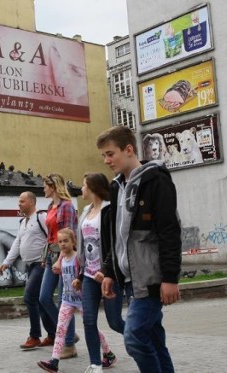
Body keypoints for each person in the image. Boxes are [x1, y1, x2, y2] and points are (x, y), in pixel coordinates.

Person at [96, 126, 182, 373]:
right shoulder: (117, 186)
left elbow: (169, 231)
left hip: (151, 277)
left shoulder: (156, 180)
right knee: (155, 340)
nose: (106, 160)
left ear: (129, 149)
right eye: (104, 155)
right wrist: (110, 271)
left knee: (133, 338)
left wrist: (170, 278)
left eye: (110, 154)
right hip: (130, 278)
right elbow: (118, 237)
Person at [74, 172, 125, 372]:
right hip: (88, 276)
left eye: (84, 185)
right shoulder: (85, 211)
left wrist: (105, 270)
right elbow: (83, 246)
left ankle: (144, 338)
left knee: (114, 321)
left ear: (94, 187)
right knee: (88, 320)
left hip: (109, 276)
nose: (81, 189)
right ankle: (95, 363)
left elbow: (115, 244)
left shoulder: (110, 210)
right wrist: (80, 275)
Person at [0, 191, 57, 350]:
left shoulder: (41, 217)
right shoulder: (23, 222)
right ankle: (53, 334)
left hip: (42, 264)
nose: (19, 204)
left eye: (22, 201)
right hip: (31, 266)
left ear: (31, 202)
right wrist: (6, 262)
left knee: (30, 297)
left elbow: (53, 237)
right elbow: (17, 243)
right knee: (39, 300)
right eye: (19, 201)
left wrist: (54, 258)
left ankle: (35, 336)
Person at [39, 173, 78, 359]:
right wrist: (46, 256)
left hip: (64, 257)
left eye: (45, 186)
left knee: (65, 302)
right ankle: (68, 333)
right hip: (51, 255)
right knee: (44, 297)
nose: (43, 189)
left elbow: (68, 236)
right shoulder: (50, 206)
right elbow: (51, 235)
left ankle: (69, 344)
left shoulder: (67, 206)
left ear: (53, 186)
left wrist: (60, 259)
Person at [36, 228, 82, 373]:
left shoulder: (78, 258)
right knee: (60, 330)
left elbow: (83, 274)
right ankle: (54, 362)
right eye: (60, 242)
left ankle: (107, 352)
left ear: (73, 241)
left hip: (81, 300)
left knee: (91, 328)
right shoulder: (62, 261)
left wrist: (79, 280)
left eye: (66, 241)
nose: (62, 244)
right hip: (67, 300)